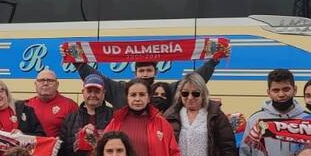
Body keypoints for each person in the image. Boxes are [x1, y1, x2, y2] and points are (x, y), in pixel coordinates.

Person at [103, 79, 182, 156]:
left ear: (149, 97)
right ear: (127, 97)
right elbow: (100, 153)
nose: (137, 99)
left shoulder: (162, 124)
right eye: (133, 95)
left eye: (142, 94)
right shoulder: (116, 123)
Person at [164, 72, 237, 156]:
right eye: (185, 93)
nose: (190, 98)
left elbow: (229, 152)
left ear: (203, 94)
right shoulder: (169, 117)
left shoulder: (216, 116)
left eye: (195, 94)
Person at [74, 54, 218, 111]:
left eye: (148, 70)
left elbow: (193, 81)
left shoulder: (165, 90)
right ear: (135, 73)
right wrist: (78, 63)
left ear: (156, 72)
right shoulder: (120, 89)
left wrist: (212, 62)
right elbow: (97, 78)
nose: (144, 74)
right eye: (141, 71)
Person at [57, 74, 113, 156]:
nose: (93, 95)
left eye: (97, 91)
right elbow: (61, 151)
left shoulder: (113, 116)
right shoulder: (70, 118)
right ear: (83, 92)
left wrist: (96, 136)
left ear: (104, 93)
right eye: (89, 91)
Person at [25, 69, 77, 152]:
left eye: (50, 80)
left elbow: (74, 136)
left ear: (57, 84)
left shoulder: (70, 105)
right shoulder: (26, 105)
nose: (45, 83)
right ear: (35, 84)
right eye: (41, 80)